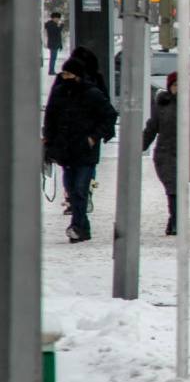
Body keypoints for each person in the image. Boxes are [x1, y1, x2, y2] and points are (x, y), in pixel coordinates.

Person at [42, 58, 118, 243]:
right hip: (66, 151)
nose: (64, 77)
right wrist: (49, 140)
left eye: (68, 74)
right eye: (63, 74)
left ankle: (77, 226)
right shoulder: (60, 93)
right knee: (71, 190)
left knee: (80, 190)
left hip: (85, 152)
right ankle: (82, 227)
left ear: (77, 75)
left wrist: (94, 137)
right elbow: (50, 118)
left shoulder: (92, 94)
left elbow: (109, 115)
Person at [143, 71, 190, 236]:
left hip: (184, 154)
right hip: (164, 154)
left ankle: (173, 222)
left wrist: (185, 105)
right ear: (170, 87)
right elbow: (151, 128)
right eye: (175, 85)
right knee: (173, 188)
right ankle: (176, 222)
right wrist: (139, 146)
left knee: (179, 189)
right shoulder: (161, 105)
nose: (178, 89)